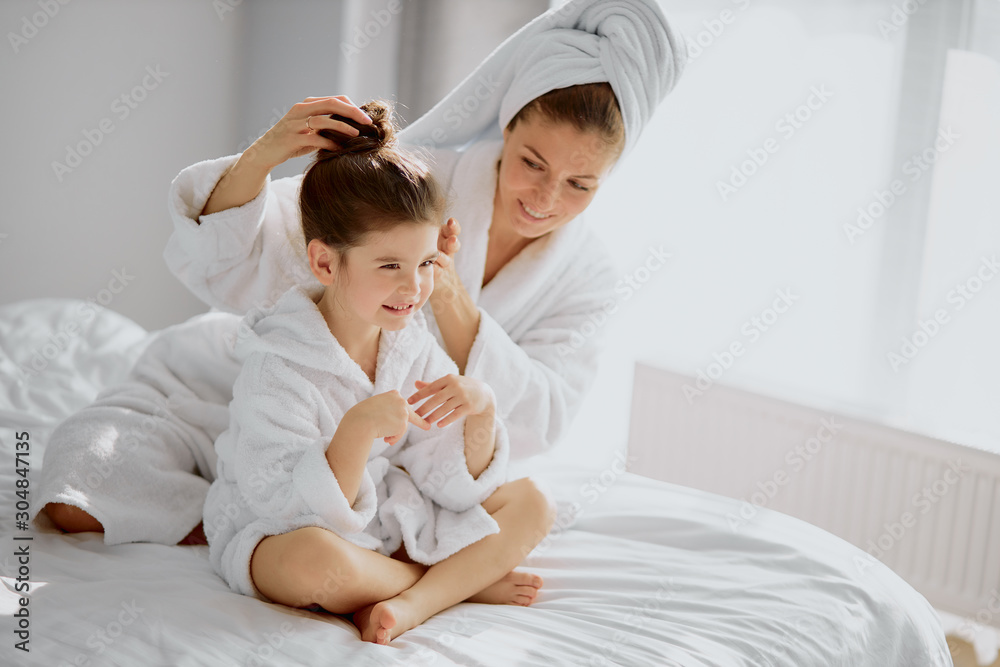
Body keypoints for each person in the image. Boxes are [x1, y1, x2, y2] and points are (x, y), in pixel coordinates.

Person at [35, 0, 686, 547]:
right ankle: (243, 517)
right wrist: (265, 154)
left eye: (580, 183)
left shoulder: (589, 274)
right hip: (258, 393)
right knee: (77, 496)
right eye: (533, 162)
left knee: (492, 515)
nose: (546, 198)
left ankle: (276, 523)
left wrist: (447, 288)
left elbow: (540, 420)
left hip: (404, 461)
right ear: (509, 124)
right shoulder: (414, 178)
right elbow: (241, 260)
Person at [205, 100, 552, 644]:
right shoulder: (276, 366)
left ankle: (412, 600)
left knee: (531, 501)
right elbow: (285, 506)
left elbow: (449, 485)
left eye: (427, 264)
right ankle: (447, 584)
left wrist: (479, 410)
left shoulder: (408, 346)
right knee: (312, 563)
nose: (413, 289)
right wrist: (355, 431)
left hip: (385, 527)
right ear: (325, 263)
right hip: (281, 531)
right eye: (390, 265)